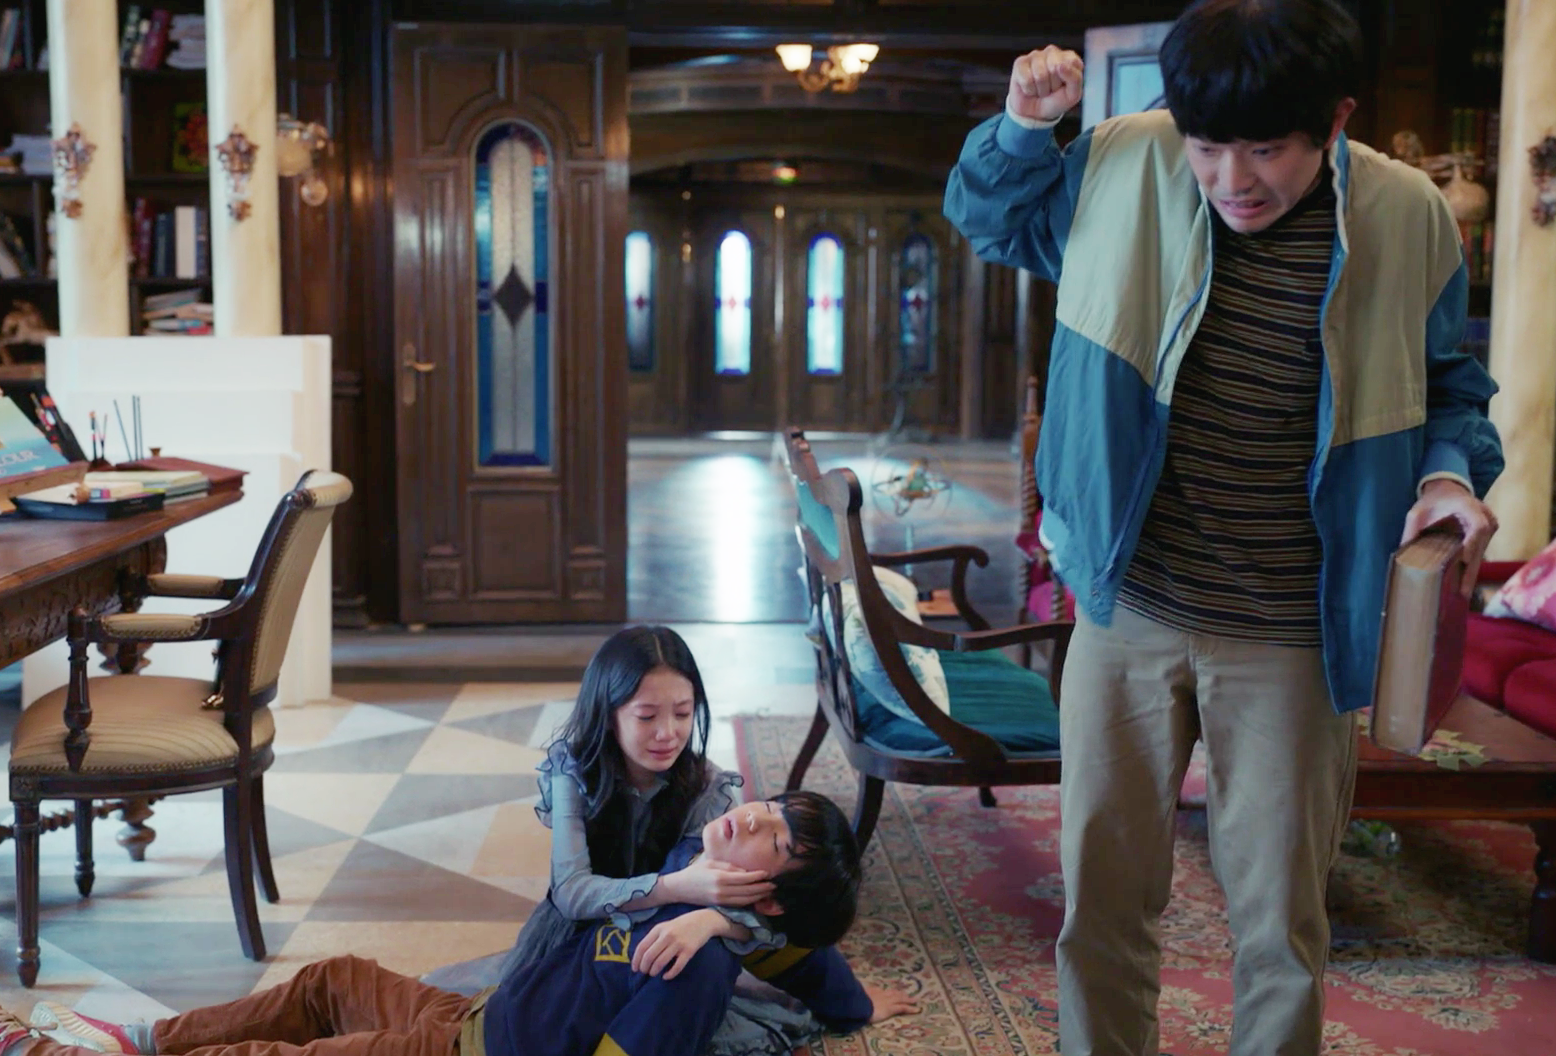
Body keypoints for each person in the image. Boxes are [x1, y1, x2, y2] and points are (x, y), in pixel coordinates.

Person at [943, 2, 1502, 1055]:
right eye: (1206, 147)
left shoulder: (1407, 215)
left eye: (1266, 151)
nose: (1232, 179)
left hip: (1294, 632)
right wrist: (1022, 126)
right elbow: (989, 220)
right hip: (1128, 606)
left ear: (1335, 120)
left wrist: (1445, 476)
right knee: (1101, 908)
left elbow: (1451, 390)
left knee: (1280, 925)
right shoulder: (1121, 162)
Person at [0, 793, 918, 1056]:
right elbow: (811, 963)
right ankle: (139, 1042)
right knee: (330, 979)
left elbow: (801, 949)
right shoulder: (692, 872)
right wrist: (851, 1006)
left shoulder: (693, 964)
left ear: (771, 896)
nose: (751, 816)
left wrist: (717, 933)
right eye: (770, 808)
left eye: (773, 839)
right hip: (471, 1017)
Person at [420, 625, 816, 1054]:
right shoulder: (574, 772)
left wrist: (712, 921)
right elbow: (572, 892)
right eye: (647, 716)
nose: (668, 733)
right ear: (608, 714)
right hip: (571, 945)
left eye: (683, 714)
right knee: (480, 1020)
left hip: (655, 948)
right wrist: (675, 886)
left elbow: (750, 903)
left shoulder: (709, 787)